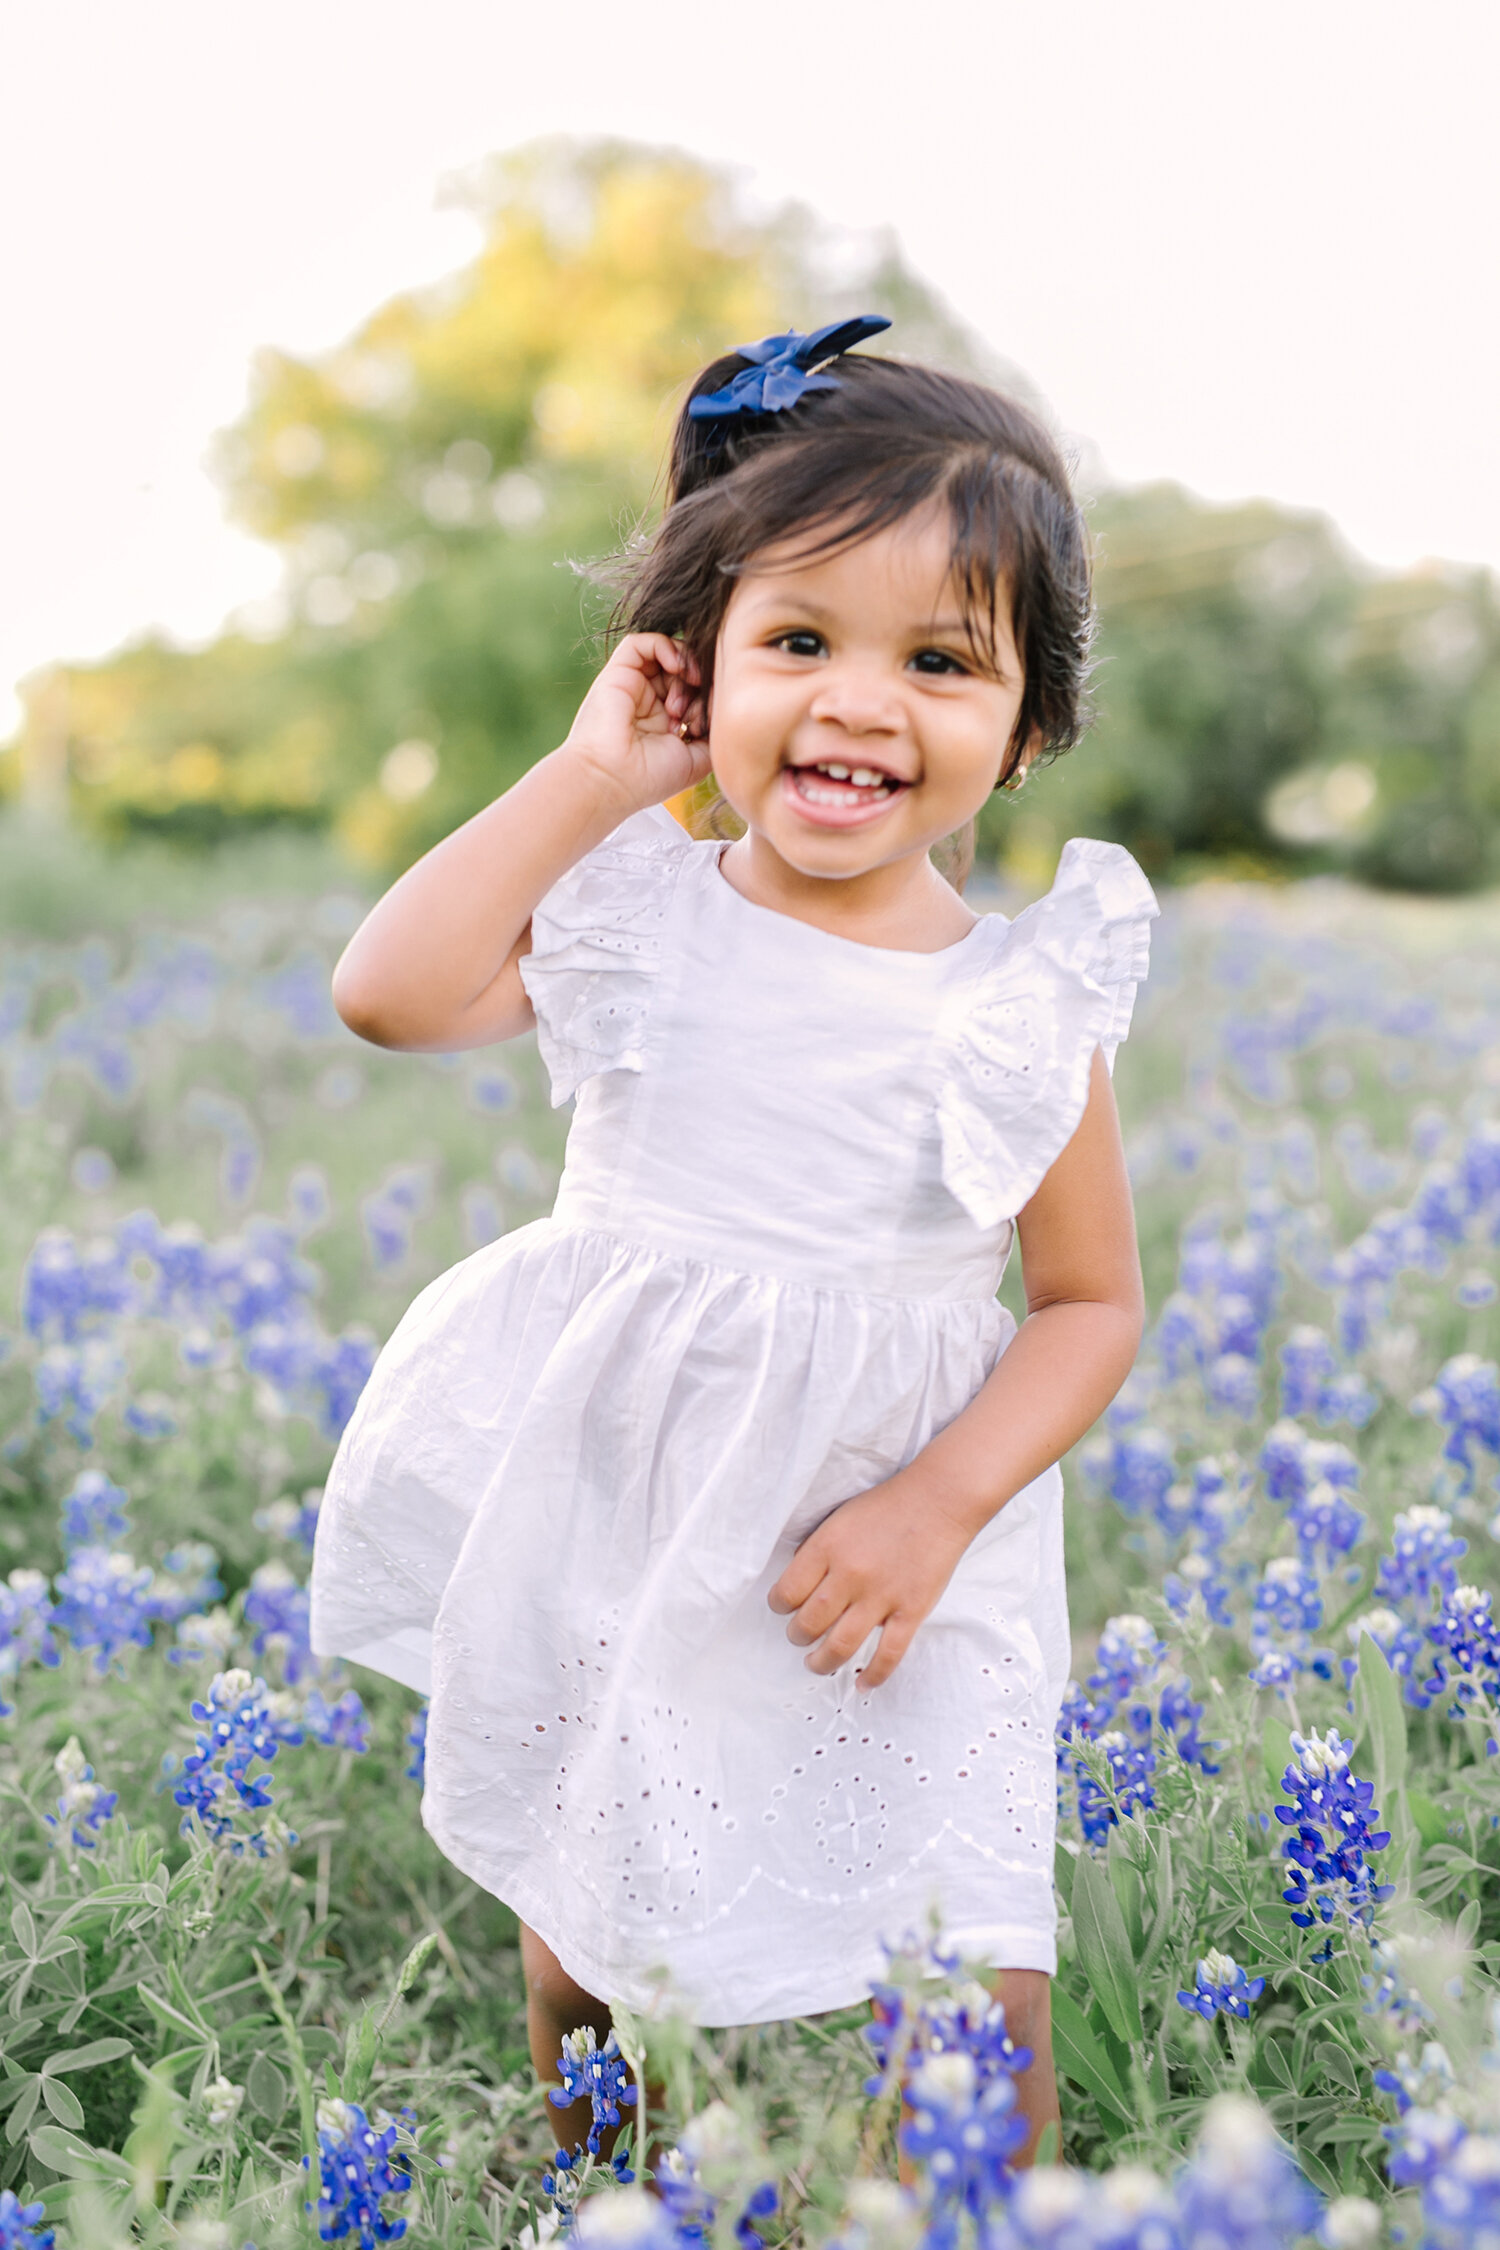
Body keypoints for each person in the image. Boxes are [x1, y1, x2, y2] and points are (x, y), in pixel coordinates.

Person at [308, 316, 1158, 2169]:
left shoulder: (1021, 999)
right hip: (641, 1484)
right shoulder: (629, 907)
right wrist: (590, 778)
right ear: (693, 668)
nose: (861, 702)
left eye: (939, 660)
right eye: (798, 642)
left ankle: (966, 2211)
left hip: (907, 1536)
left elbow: (1090, 1303)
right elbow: (386, 992)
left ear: (1026, 731)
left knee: (972, 1952)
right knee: (595, 1905)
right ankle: (608, 2195)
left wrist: (939, 1504)